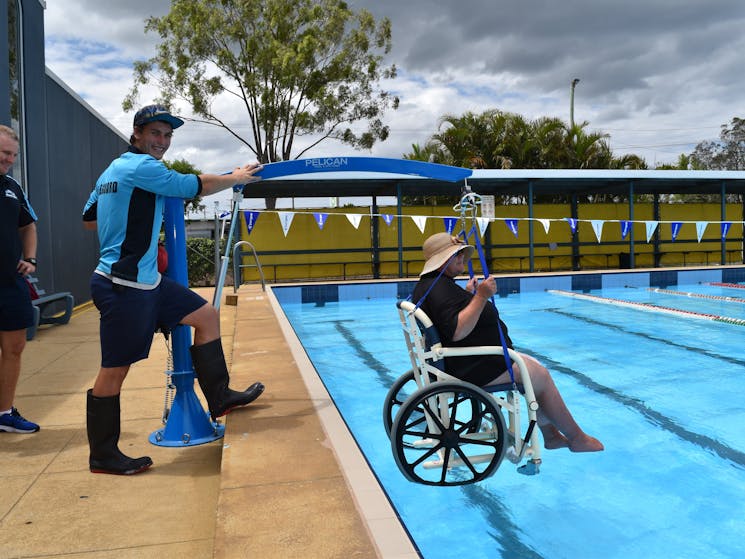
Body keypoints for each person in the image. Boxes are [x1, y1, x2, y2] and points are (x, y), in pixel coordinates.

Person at [81, 104, 265, 475]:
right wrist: (237, 175)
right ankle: (102, 454)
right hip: (123, 286)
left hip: (146, 280)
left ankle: (219, 397)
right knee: (114, 371)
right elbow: (196, 186)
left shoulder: (111, 171)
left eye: (167, 136)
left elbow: (89, 220)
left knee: (206, 316)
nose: (161, 142)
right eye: (154, 134)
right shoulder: (144, 168)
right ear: (137, 133)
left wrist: (133, 229)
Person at [411, 232, 603, 453]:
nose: (462, 258)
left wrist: (467, 295)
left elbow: (447, 318)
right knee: (540, 376)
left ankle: (551, 436)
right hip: (469, 368)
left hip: (461, 362)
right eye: (457, 255)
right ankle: (577, 438)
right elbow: (456, 331)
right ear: (442, 260)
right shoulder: (440, 289)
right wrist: (481, 296)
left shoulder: (431, 286)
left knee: (532, 366)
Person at [0, 125, 40, 434]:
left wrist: (30, 259)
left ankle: (4, 413)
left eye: (12, 155)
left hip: (10, 283)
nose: (9, 160)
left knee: (14, 347)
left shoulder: (12, 186)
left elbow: (28, 226)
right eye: (4, 153)